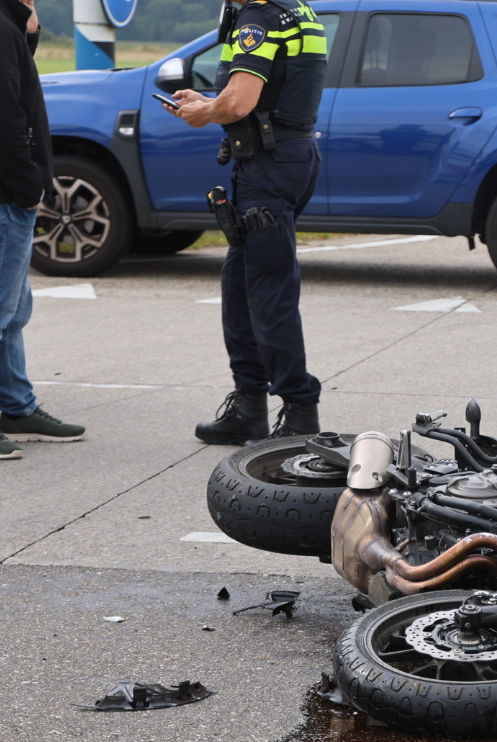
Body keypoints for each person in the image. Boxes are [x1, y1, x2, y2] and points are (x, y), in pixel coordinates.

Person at [170, 0, 328, 444]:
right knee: (240, 284)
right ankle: (248, 406)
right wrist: (210, 101)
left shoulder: (258, 19)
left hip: (268, 166)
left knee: (267, 291)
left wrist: (205, 113)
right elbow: (269, 93)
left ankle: (299, 412)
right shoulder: (297, 10)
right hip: (285, 156)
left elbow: (240, 102)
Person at [0, 0, 86, 460]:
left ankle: (17, 408)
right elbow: (2, 117)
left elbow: (6, 82)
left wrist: (27, 27)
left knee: (10, 309)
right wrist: (28, 188)